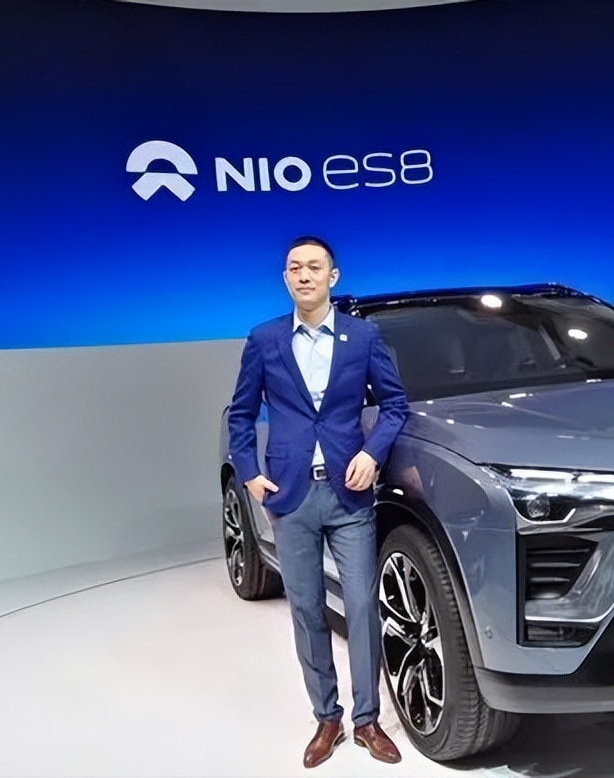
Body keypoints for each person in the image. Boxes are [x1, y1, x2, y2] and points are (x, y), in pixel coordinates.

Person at [227, 235, 409, 768]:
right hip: (291, 494)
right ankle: (326, 717)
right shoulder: (264, 340)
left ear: (333, 276)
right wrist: (250, 475)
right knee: (307, 609)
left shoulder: (363, 336)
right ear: (285, 278)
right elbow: (241, 414)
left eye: (313, 267)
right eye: (294, 268)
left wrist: (373, 453)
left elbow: (395, 404)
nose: (303, 275)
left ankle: (367, 720)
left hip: (350, 494)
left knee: (361, 607)